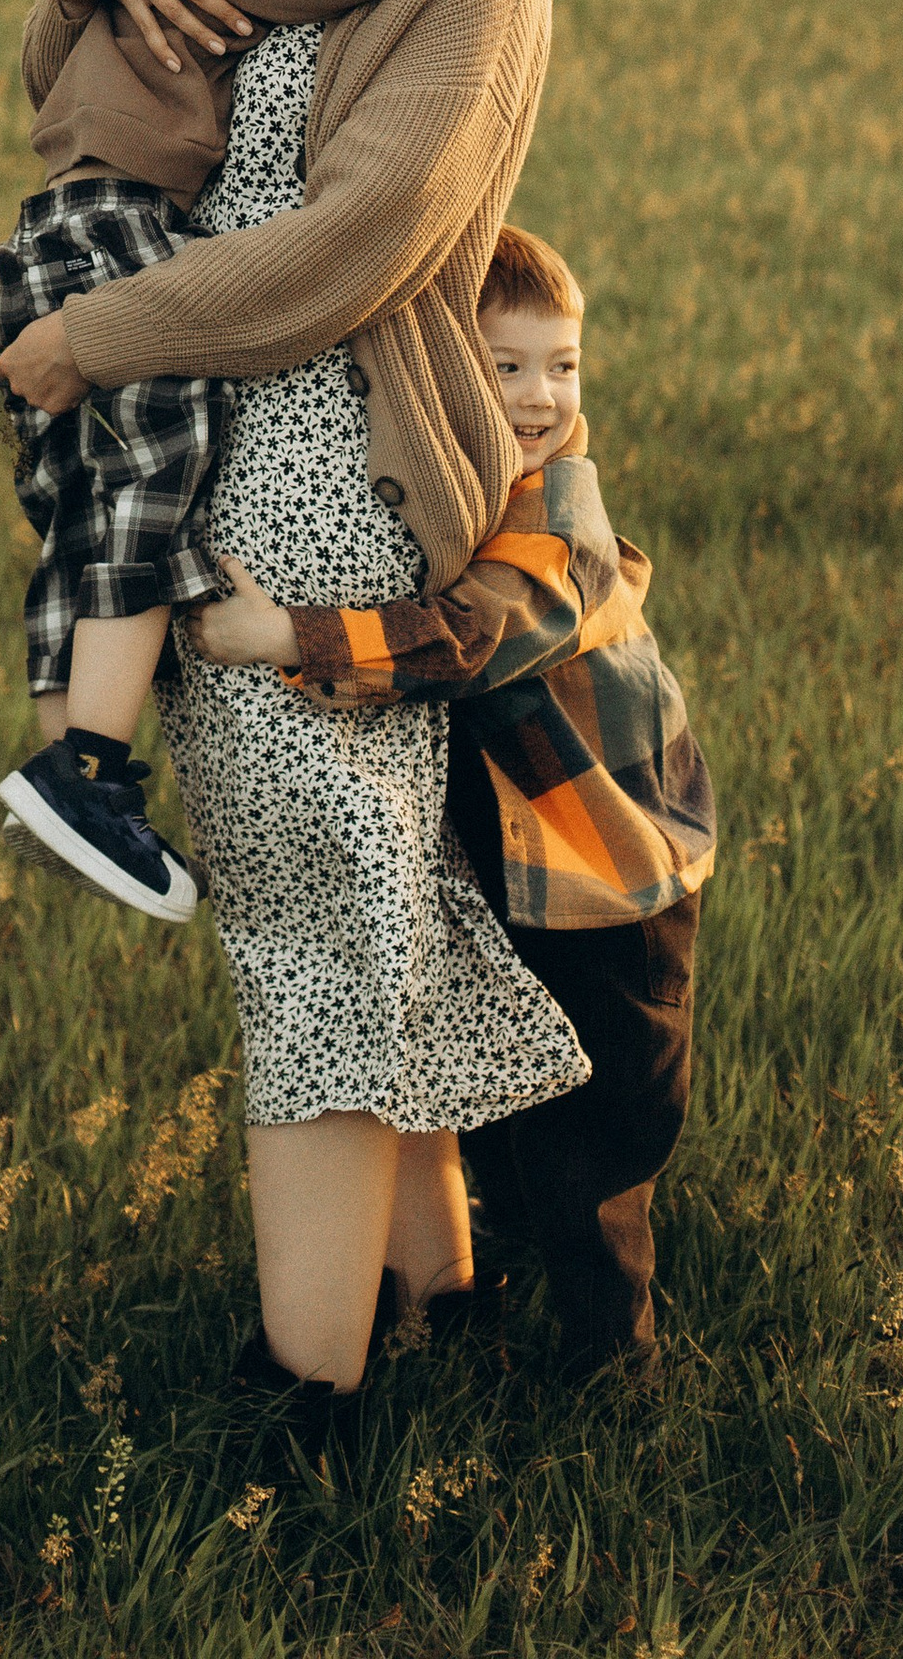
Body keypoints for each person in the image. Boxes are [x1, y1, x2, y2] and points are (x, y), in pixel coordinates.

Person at [0, 0, 590, 1411]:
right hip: (225, 446)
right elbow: (47, 65)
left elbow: (368, 234)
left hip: (323, 468)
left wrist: (98, 340)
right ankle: (447, 1310)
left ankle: (307, 1401)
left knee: (316, 918)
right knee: (364, 889)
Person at [0, 0, 530, 921]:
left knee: (93, 502)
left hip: (78, 234)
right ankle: (85, 775)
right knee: (141, 487)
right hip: (107, 237)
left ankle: (68, 770)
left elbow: (367, 220)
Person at [279, 226, 715, 1378]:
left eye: (561, 365)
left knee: (600, 1132)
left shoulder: (552, 511)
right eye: (504, 367)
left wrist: (287, 635)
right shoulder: (469, 489)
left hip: (611, 880)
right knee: (508, 1104)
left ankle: (610, 1367)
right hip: (528, 873)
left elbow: (463, 642)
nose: (538, 396)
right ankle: (485, 1278)